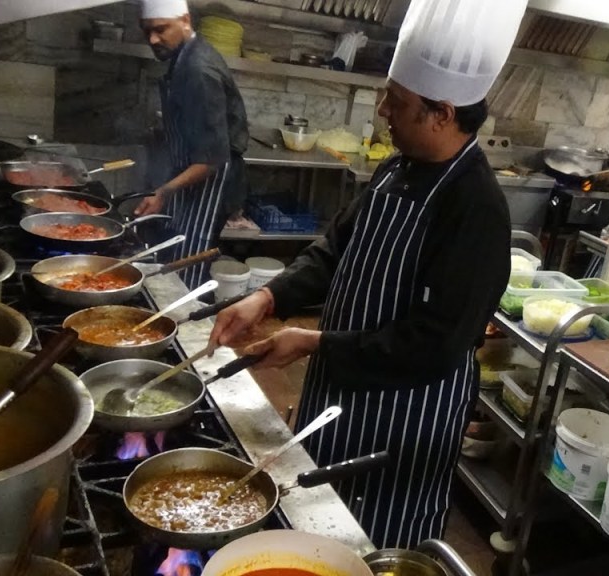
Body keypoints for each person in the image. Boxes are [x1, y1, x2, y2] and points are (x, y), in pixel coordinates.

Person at [208, 0, 528, 549]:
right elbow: (335, 250)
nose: (383, 110)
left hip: (404, 419)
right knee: (312, 522)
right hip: (341, 385)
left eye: (396, 102)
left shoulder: (475, 207)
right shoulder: (398, 165)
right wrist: (267, 297)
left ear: (443, 113)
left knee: (371, 547)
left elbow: (434, 343)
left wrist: (314, 342)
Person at [135, 0, 249, 289]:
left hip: (211, 184)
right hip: (193, 179)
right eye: (146, 31)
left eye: (160, 29)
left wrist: (163, 191)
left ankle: (186, 324)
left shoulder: (198, 70)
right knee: (175, 258)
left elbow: (211, 159)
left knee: (188, 268)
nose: (153, 39)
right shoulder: (184, 56)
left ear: (185, 20)